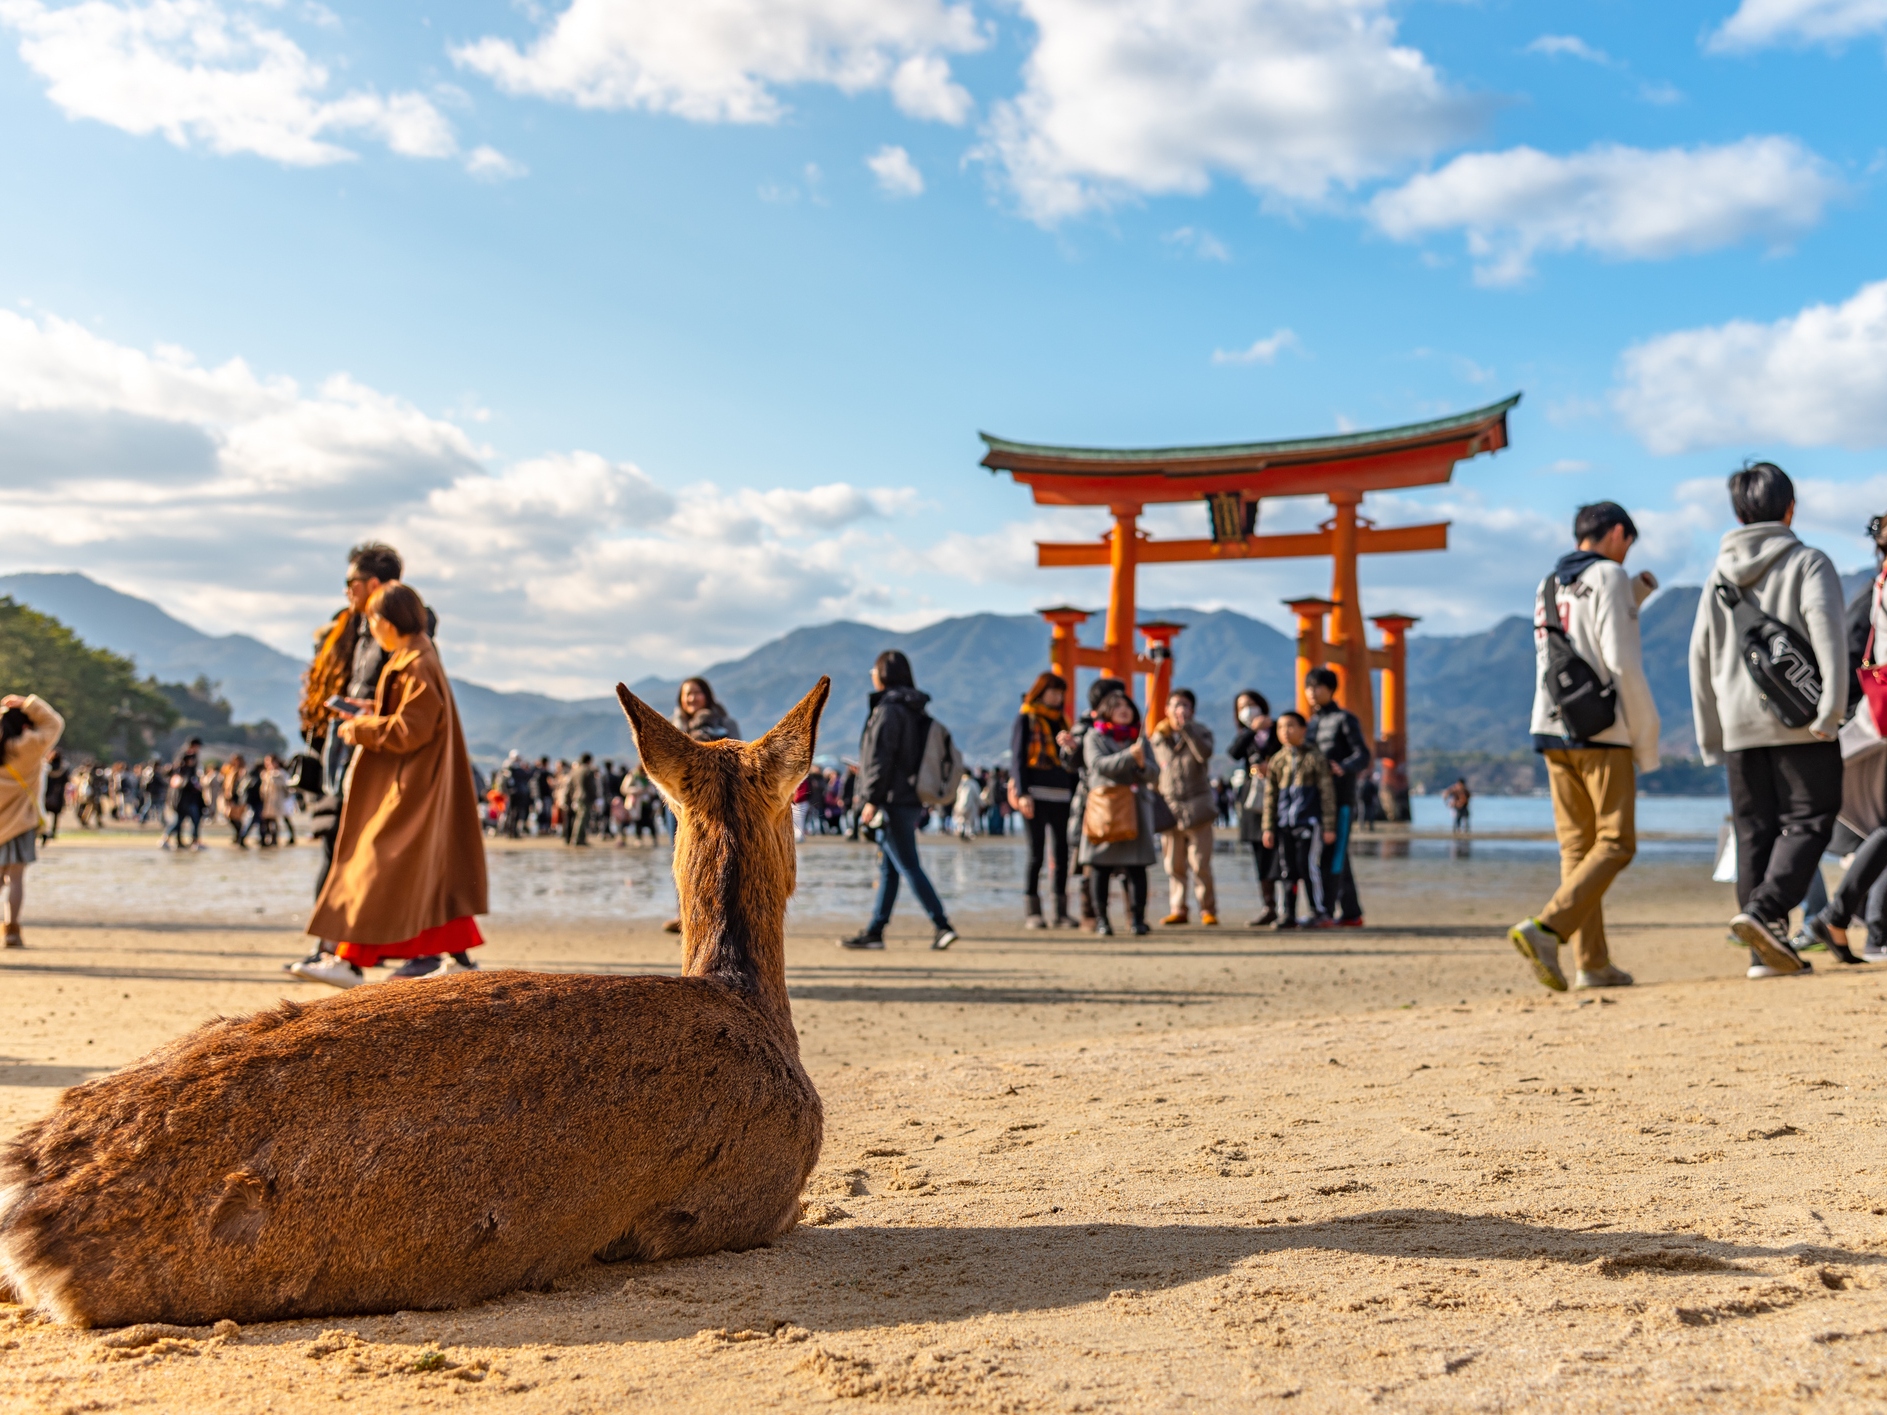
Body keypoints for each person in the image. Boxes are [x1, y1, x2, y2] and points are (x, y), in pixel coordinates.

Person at [1688, 462, 1847, 978]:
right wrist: (1833, 708)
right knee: (1812, 819)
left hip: (1737, 726)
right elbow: (1827, 635)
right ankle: (1765, 911)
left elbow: (1700, 657)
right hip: (1802, 720)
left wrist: (1710, 734)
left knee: (1753, 831)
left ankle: (1764, 954)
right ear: (1790, 507)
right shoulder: (1807, 562)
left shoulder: (1717, 577)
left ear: (1739, 511)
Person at [296, 583, 488, 988]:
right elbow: (412, 717)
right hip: (417, 783)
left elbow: (411, 728)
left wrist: (358, 728)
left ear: (385, 621)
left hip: (410, 786)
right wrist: (371, 711)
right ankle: (455, 957)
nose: (370, 628)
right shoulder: (415, 656)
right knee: (424, 870)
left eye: (372, 620)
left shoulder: (415, 661)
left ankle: (348, 958)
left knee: (372, 863)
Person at [1508, 502, 1662, 993]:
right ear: (1617, 533)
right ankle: (1547, 926)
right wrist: (1647, 736)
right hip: (1602, 730)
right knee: (1616, 842)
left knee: (1578, 848)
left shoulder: (1547, 583)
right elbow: (1619, 658)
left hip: (1550, 724)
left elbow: (1576, 633)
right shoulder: (1611, 575)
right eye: (1627, 542)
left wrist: (1634, 594)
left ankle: (1592, 963)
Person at [839, 650, 959, 951]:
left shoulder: (888, 709)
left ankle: (942, 924)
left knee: (908, 865)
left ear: (884, 674)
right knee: (890, 869)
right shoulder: (915, 709)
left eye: (873, 670)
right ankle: (876, 931)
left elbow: (882, 758)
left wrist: (871, 799)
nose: (871, 675)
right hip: (910, 796)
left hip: (891, 799)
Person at [1078, 684, 1158, 937]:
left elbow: (1154, 773)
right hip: (1106, 809)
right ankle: (1102, 919)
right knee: (1100, 865)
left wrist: (1143, 764)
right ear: (1106, 711)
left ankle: (1138, 919)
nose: (1124, 711)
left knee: (1137, 867)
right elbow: (1098, 765)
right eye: (1118, 706)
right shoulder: (1095, 737)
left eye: (1127, 706)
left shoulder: (1141, 738)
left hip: (1136, 807)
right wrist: (1130, 756)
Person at [660, 678, 741, 929]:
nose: (691, 699)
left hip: (717, 799)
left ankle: (721, 913)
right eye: (686, 695)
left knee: (720, 854)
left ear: (707, 695)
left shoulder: (726, 723)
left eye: (696, 693)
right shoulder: (673, 726)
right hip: (680, 802)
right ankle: (685, 913)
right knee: (683, 857)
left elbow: (739, 756)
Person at [1010, 671, 1078, 929]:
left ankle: (1061, 913)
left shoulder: (1062, 720)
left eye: (1061, 692)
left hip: (1061, 794)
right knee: (1036, 853)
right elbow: (1017, 758)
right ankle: (1033, 912)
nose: (1058, 696)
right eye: (1054, 691)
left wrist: (1072, 748)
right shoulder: (1026, 718)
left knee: (1062, 853)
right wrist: (1022, 793)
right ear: (1041, 691)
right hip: (1035, 794)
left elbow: (1071, 764)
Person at [1304, 668, 1371, 926]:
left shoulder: (1345, 719)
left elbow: (1362, 754)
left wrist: (1344, 767)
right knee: (1336, 854)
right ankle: (1352, 912)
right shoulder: (1311, 724)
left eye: (1317, 687)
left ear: (1331, 689)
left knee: (1333, 855)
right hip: (1318, 800)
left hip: (1341, 800)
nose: (1312, 692)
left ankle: (1327, 912)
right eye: (1308, 687)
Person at [1261, 711, 1338, 928]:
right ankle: (1288, 914)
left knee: (1308, 867)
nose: (1285, 731)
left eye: (1291, 726)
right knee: (1287, 870)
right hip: (1284, 823)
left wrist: (1328, 826)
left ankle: (1318, 911)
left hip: (1309, 822)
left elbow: (1327, 794)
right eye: (1281, 727)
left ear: (1303, 729)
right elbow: (1270, 797)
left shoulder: (1315, 757)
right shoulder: (1277, 760)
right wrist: (1268, 827)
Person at [1150, 687, 1218, 926]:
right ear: (1166, 709)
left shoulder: (1202, 732)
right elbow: (1152, 771)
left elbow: (1204, 754)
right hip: (1169, 808)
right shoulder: (1157, 738)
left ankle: (1207, 909)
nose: (1180, 709)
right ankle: (1178, 908)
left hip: (1198, 807)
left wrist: (1187, 729)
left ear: (1192, 710)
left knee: (1200, 863)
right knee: (1173, 864)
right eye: (1175, 705)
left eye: (1185, 705)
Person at [0, 694, 64, 949]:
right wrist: (27, 702)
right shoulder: (29, 746)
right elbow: (54, 723)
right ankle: (11, 931)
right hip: (20, 823)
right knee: (15, 879)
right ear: (25, 725)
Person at [1229, 690, 1281, 927]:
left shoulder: (1280, 728)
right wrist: (1251, 730)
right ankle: (1268, 905)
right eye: (1242, 707)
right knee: (1259, 854)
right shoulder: (1245, 736)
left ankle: (1288, 906)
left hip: (1278, 799)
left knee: (1282, 853)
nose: (1247, 709)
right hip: (1252, 799)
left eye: (1251, 704)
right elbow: (1234, 753)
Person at [39, 750, 68, 843]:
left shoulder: (47, 768)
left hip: (47, 793)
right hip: (58, 794)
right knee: (56, 816)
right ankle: (53, 831)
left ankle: (43, 830)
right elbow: (66, 781)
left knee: (43, 813)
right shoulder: (63, 768)